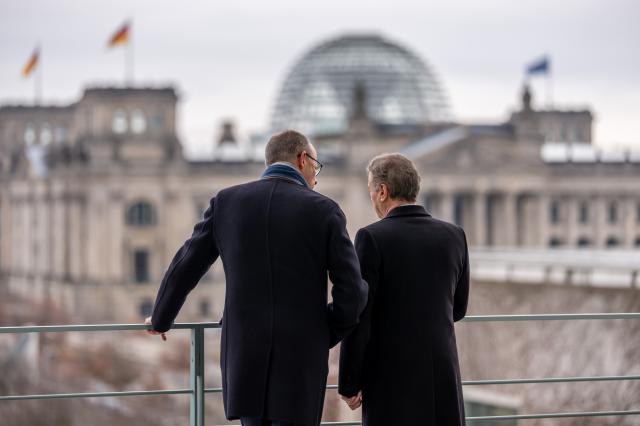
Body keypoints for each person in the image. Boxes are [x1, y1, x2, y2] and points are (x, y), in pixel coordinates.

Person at [145, 130, 368, 426]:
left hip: (244, 357)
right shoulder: (324, 210)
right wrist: (325, 332)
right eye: (317, 165)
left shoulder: (227, 202)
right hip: (300, 361)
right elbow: (352, 291)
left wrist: (161, 317)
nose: (317, 175)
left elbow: (187, 263)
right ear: (303, 159)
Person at [338, 153, 469, 425]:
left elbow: (361, 316)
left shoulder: (370, 237)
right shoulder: (455, 235)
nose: (372, 199)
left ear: (383, 191)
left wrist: (349, 383)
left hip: (390, 379)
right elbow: (458, 308)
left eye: (371, 192)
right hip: (441, 376)